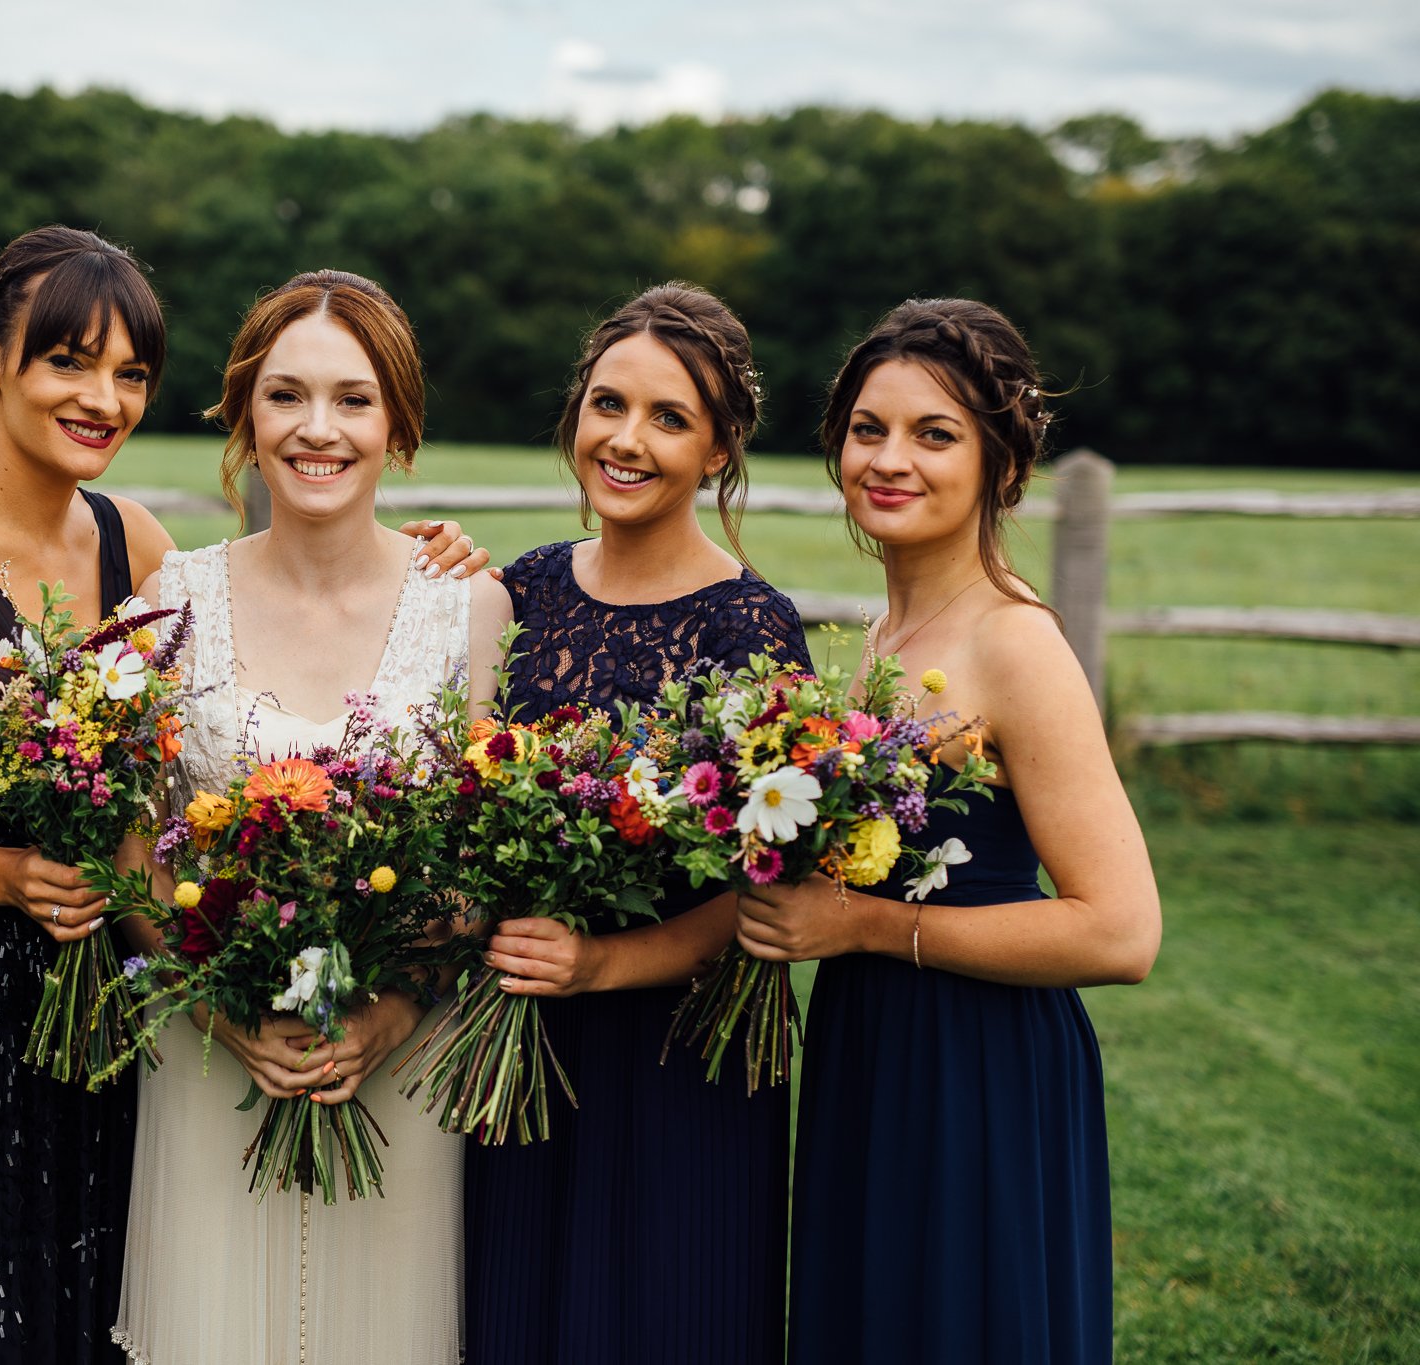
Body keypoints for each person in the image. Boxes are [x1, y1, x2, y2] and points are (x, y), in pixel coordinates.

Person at [0, 228, 486, 1363]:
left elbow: (180, 764)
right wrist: (6, 875)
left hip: (105, 1006)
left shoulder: (130, 546)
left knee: (80, 1317)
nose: (103, 398)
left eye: (131, 373)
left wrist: (428, 554)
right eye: (69, 363)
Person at [740, 298, 1162, 1365]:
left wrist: (869, 930)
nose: (889, 459)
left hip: (978, 1067)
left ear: (999, 462)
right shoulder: (881, 639)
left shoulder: (1016, 644)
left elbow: (1119, 932)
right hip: (871, 1047)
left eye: (934, 435)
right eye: (867, 429)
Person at [111, 269, 514, 1364]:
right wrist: (220, 1011)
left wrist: (385, 1015)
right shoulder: (166, 601)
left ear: (398, 425)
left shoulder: (469, 609)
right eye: (285, 396)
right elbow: (133, 856)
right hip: (208, 1065)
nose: (317, 429)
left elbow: (473, 870)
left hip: (395, 1064)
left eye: (353, 398)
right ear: (244, 412)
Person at [464, 283, 806, 1364]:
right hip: (519, 1042)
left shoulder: (750, 625)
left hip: (677, 1064)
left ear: (718, 451)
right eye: (607, 404)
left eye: (668, 419)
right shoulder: (518, 591)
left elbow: (772, 885)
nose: (625, 439)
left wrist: (603, 964)